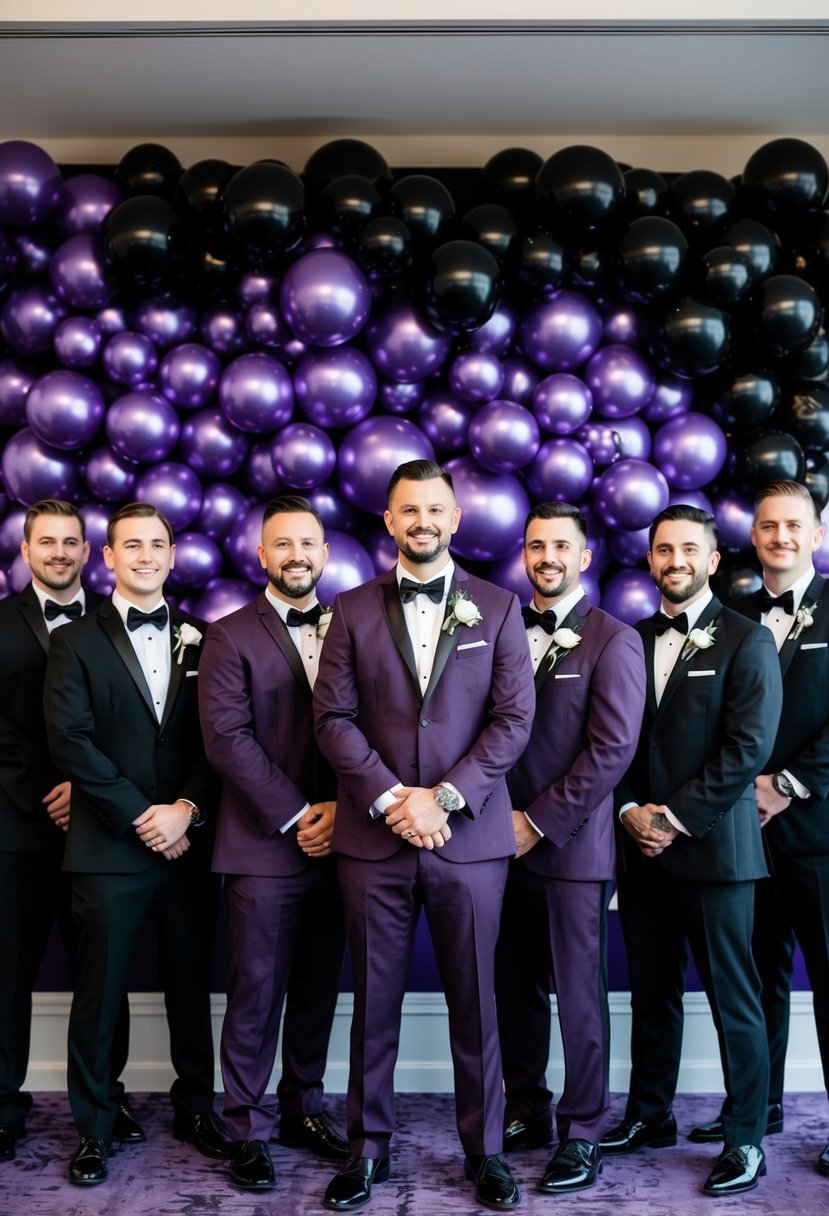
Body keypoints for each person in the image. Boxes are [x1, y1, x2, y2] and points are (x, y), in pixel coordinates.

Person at [314, 459, 535, 1212]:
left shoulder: (499, 608)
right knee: (372, 998)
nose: (423, 522)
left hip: (467, 840)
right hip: (373, 841)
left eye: (435, 508)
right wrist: (388, 800)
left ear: (454, 516)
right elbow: (331, 719)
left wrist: (442, 798)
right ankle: (366, 1149)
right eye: (409, 510)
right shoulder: (348, 609)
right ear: (389, 521)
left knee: (477, 1001)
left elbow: (513, 721)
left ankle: (486, 1151)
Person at [44, 501, 229, 1186]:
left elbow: (219, 741)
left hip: (186, 847)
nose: (146, 555)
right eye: (132, 545)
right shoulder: (75, 641)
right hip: (109, 847)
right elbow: (71, 740)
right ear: (109, 558)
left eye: (158, 544)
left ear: (172, 556)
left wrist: (184, 809)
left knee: (191, 984)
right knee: (100, 992)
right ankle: (94, 1125)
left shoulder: (207, 639)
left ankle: (196, 1109)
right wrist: (140, 816)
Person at [600, 504, 783, 1197]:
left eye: (687, 550)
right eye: (661, 550)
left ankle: (744, 1139)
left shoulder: (745, 640)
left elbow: (747, 750)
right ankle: (649, 1115)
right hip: (639, 848)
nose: (673, 561)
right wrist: (627, 812)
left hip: (714, 851)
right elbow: (614, 742)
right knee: (651, 993)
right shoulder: (626, 639)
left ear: (711, 561)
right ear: (649, 561)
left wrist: (673, 817)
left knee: (733, 997)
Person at [198, 495, 348, 1191]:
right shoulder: (228, 635)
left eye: (307, 544)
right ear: (261, 555)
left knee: (318, 986)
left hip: (347, 840)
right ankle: (246, 1125)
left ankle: (303, 1108)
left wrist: (342, 812)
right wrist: (297, 815)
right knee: (256, 989)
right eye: (281, 544)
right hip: (265, 843)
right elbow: (228, 743)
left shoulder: (352, 624)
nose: (295, 556)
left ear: (324, 553)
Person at [495, 502, 645, 1195]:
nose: (546, 556)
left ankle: (581, 1131)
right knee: (511, 985)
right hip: (493, 844)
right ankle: (526, 1106)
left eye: (560, 545)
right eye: (535, 545)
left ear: (584, 558)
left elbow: (610, 750)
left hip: (569, 847)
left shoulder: (612, 640)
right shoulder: (497, 627)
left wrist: (540, 822)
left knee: (578, 994)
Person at [688, 480, 829, 1177]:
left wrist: (787, 785)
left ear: (816, 532)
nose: (779, 537)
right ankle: (757, 1103)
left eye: (792, 526)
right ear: (753, 535)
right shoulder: (733, 618)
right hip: (742, 834)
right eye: (768, 526)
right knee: (753, 972)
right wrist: (744, 793)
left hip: (816, 831)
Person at [0, 499, 140, 1162]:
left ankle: (105, 1099)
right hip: (18, 830)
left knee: (103, 972)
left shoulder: (118, 623)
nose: (59, 552)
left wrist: (88, 792)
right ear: (25, 552)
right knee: (6, 975)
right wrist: (43, 794)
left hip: (104, 828)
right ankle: (4, 1103)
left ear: (89, 553)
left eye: (70, 542)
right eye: (46, 542)